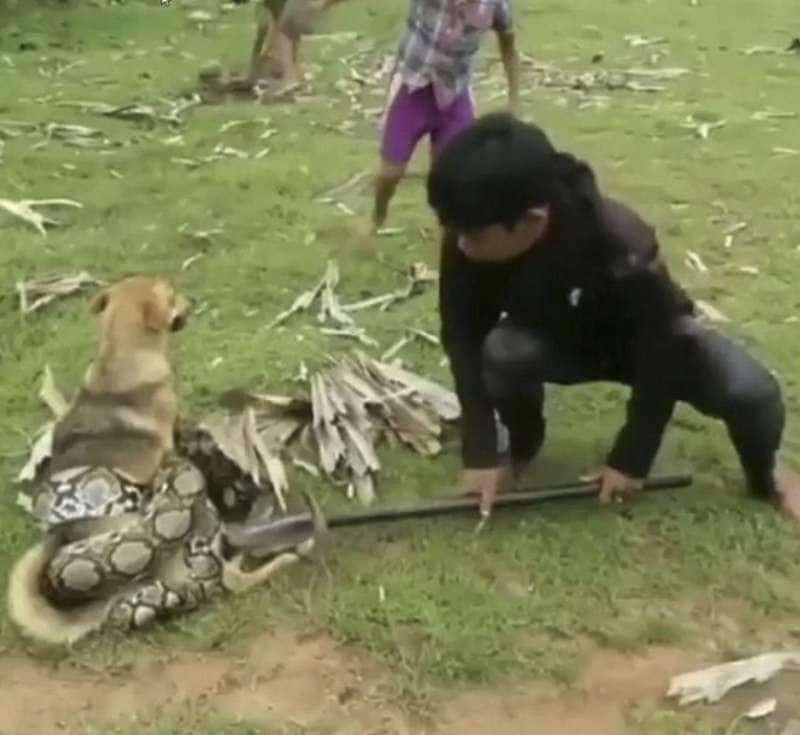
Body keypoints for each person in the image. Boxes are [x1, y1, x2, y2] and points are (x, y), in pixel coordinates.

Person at [426, 112, 800, 522]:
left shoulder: (620, 242)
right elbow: (462, 335)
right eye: (455, 231)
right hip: (553, 341)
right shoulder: (472, 234)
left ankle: (767, 477)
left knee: (751, 393)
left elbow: (666, 343)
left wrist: (632, 458)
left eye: (472, 236)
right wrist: (481, 450)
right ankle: (523, 443)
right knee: (502, 352)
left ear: (533, 221)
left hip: (642, 347)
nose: (461, 245)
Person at [366, 0, 520, 241]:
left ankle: (450, 235)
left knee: (455, 177)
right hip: (413, 89)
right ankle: (377, 216)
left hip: (454, 95)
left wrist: (513, 99)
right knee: (390, 173)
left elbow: (508, 44)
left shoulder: (495, 5)